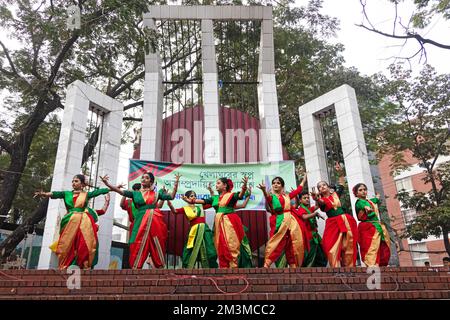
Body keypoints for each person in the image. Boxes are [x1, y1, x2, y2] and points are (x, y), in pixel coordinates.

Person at [101, 172, 180, 269]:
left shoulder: (156, 194)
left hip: (155, 221)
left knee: (157, 241)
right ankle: (136, 267)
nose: (143, 179)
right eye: (142, 177)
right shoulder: (135, 193)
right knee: (137, 242)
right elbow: (120, 191)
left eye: (146, 178)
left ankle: (159, 266)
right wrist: (107, 184)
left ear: (151, 181)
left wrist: (176, 184)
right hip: (140, 220)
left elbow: (171, 196)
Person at [34, 174, 113, 270]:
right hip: (69, 222)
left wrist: (111, 189)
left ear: (82, 184)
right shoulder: (67, 194)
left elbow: (99, 194)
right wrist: (44, 194)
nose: (73, 183)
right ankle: (66, 264)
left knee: (84, 243)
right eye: (73, 181)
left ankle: (83, 263)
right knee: (66, 244)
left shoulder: (87, 200)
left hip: (84, 223)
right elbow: (55, 194)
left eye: (76, 181)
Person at [188, 177, 252, 268]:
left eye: (218, 183)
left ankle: (234, 266)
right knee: (220, 245)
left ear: (225, 185)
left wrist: (244, 186)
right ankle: (224, 267)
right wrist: (191, 200)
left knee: (231, 244)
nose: (216, 185)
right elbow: (204, 201)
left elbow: (240, 196)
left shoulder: (230, 196)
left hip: (229, 222)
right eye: (216, 183)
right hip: (218, 223)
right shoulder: (215, 198)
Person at [311, 162, 358, 267]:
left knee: (348, 244)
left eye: (324, 185)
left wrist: (340, 172)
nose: (322, 187)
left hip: (345, 220)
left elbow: (341, 183)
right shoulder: (321, 200)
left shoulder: (336, 194)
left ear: (328, 187)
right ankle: (335, 268)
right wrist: (317, 199)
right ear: (319, 191)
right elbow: (322, 204)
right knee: (329, 245)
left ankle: (349, 267)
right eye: (319, 187)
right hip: (332, 223)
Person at [257, 174, 308, 268]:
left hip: (291, 221)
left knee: (292, 242)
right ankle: (267, 264)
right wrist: (264, 190)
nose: (276, 185)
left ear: (282, 186)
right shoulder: (272, 197)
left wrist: (304, 180)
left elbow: (298, 190)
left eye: (278, 183)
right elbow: (268, 199)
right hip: (279, 221)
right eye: (274, 183)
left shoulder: (287, 196)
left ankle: (293, 265)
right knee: (275, 241)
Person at [166, 190, 218, 269]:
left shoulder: (200, 206)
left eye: (195, 196)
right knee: (190, 249)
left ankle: (212, 268)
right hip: (194, 231)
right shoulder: (185, 208)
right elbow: (175, 211)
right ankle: (188, 268)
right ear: (187, 198)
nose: (194, 197)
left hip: (204, 230)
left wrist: (211, 191)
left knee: (210, 249)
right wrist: (170, 204)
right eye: (191, 196)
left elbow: (213, 202)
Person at [353, 183, 391, 267]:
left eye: (364, 189)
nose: (363, 191)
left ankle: (381, 263)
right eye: (360, 190)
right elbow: (364, 206)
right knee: (371, 246)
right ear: (356, 193)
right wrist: (367, 209)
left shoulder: (368, 201)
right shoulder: (359, 202)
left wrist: (377, 197)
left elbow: (374, 200)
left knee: (382, 244)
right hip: (368, 227)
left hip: (376, 226)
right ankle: (372, 265)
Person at [295, 191, 327, 267]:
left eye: (308, 198)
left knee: (322, 253)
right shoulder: (301, 209)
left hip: (315, 235)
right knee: (309, 256)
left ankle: (318, 272)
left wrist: (315, 198)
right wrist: (315, 214)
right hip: (308, 236)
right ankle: (308, 273)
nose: (307, 199)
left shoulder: (309, 209)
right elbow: (304, 217)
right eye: (304, 198)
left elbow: (317, 206)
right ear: (300, 200)